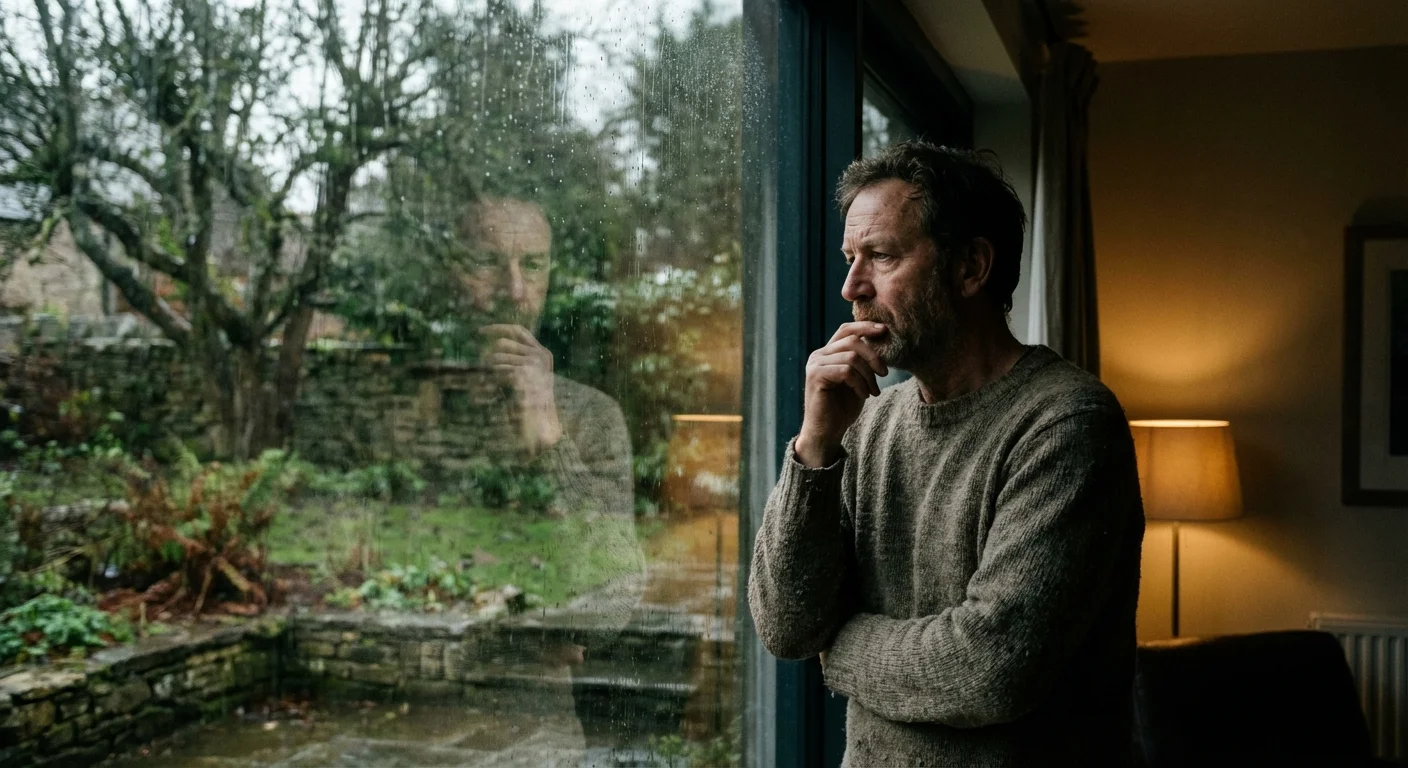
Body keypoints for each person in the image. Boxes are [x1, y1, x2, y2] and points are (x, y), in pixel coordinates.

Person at [747, 140, 1145, 766]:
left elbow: (990, 668)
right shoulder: (866, 420)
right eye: (850, 258)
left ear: (970, 269)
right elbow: (787, 627)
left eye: (880, 256)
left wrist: (841, 647)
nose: (852, 286)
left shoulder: (1066, 423)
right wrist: (815, 447)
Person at [446, 196, 645, 766]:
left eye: (532, 265)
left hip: (532, 737)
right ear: (453, 272)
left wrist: (548, 435)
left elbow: (611, 605)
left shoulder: (590, 416)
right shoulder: (406, 408)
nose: (514, 290)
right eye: (489, 262)